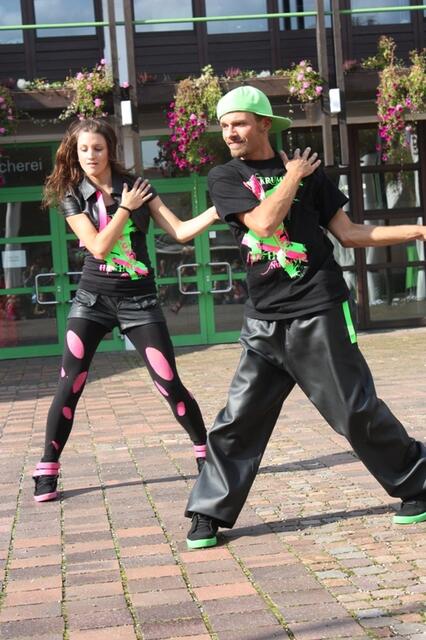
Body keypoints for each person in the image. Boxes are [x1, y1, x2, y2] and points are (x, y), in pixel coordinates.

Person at [185, 85, 426, 549]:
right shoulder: (225, 177)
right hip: (263, 320)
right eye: (225, 125)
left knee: (354, 411)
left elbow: (350, 234)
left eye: (239, 123)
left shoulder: (310, 176)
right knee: (238, 418)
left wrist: (416, 231)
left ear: (263, 124)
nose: (230, 132)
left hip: (319, 309)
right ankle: (207, 512)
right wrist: (292, 175)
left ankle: (418, 482)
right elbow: (263, 224)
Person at [33, 118, 218, 502]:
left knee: (168, 382)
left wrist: (219, 211)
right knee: (70, 384)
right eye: (83, 149)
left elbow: (180, 231)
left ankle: (205, 452)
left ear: (110, 150)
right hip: (92, 302)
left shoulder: (138, 188)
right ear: (75, 152)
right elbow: (98, 247)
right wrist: (124, 208)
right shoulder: (73, 194)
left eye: (97, 148)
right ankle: (48, 467)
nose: (90, 156)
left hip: (140, 301)